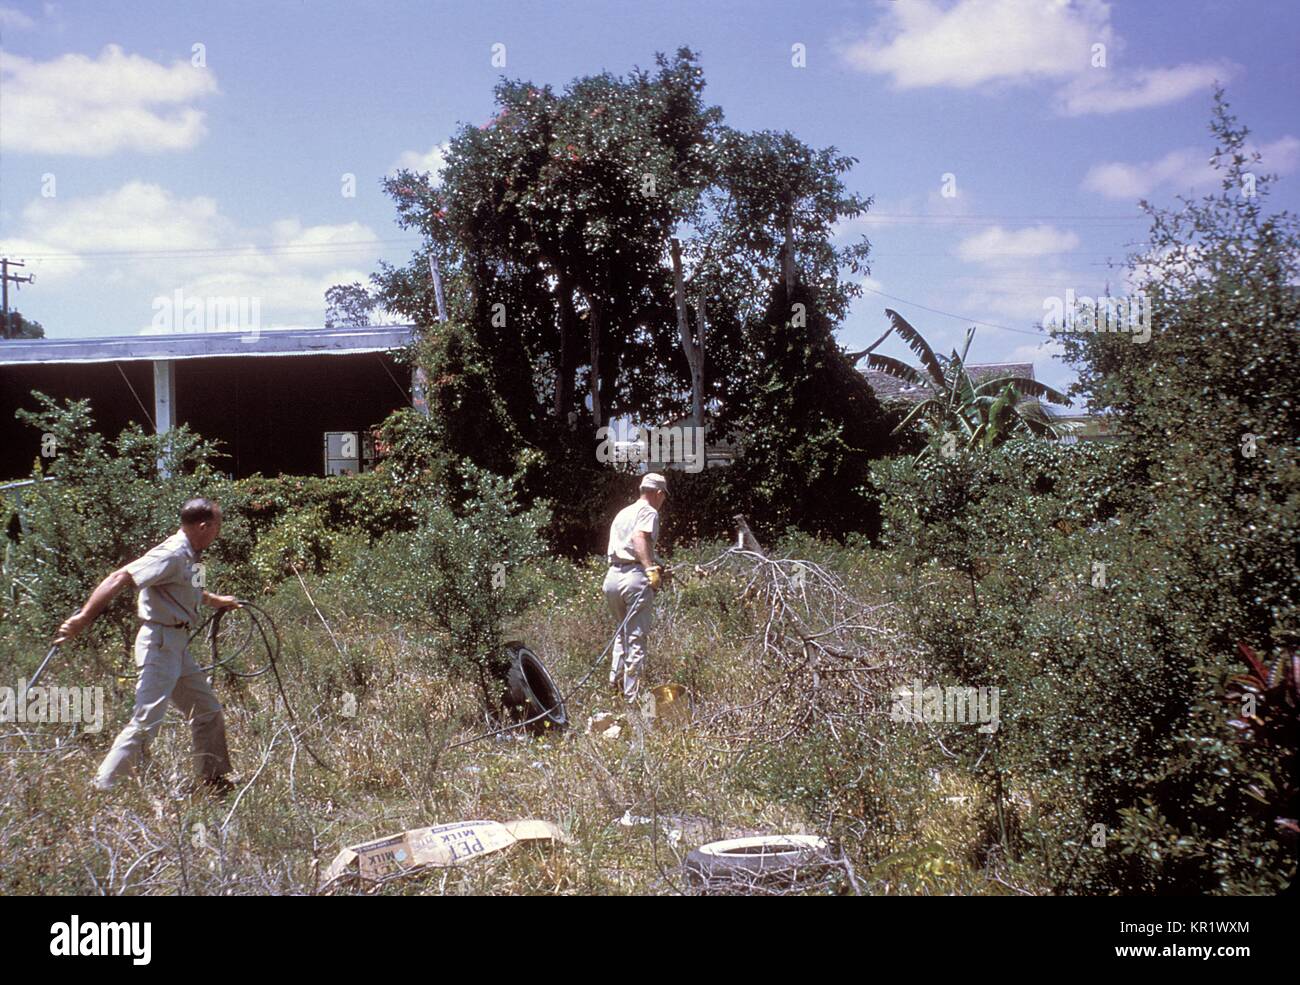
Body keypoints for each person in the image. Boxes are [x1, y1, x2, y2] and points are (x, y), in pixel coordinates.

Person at [54, 497, 240, 793]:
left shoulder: (193, 555)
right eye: (217, 526)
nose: (219, 532)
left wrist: (220, 601)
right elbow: (119, 576)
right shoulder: (171, 554)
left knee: (207, 710)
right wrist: (84, 617)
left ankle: (213, 779)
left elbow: (194, 590)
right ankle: (103, 787)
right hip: (159, 642)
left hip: (177, 644)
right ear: (204, 526)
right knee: (146, 720)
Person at [603, 473, 668, 703]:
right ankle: (632, 698)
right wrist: (650, 569)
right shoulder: (649, 511)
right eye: (663, 497)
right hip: (634, 578)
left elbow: (625, 544)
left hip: (612, 578)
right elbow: (639, 538)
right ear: (658, 493)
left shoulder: (623, 512)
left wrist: (655, 561)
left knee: (622, 634)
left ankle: (615, 688)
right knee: (636, 638)